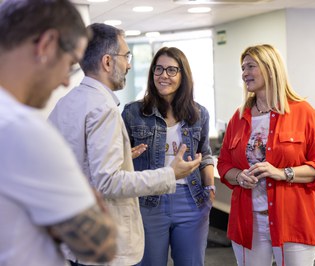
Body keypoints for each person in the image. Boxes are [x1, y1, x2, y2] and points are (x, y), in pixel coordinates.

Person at [48, 24, 202, 266]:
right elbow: (108, 182)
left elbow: (64, 165)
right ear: (108, 62)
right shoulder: (104, 109)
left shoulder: (67, 103)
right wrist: (170, 174)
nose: (129, 64)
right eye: (126, 56)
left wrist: (121, 157)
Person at [0, 1, 118, 265]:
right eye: (70, 63)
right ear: (47, 45)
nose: (66, 80)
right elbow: (100, 246)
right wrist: (88, 202)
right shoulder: (24, 131)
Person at [217, 44, 315, 266]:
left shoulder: (303, 112)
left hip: (292, 220)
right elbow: (223, 164)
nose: (244, 73)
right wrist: (239, 176)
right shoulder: (239, 117)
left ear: (270, 68)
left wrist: (282, 173)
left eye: (251, 66)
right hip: (248, 222)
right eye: (242, 68)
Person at [122, 47, 215, 266]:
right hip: (148, 201)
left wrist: (210, 188)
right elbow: (120, 158)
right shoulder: (133, 112)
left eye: (172, 70)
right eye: (159, 69)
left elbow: (206, 155)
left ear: (183, 76)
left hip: (191, 200)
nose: (164, 75)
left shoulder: (198, 113)